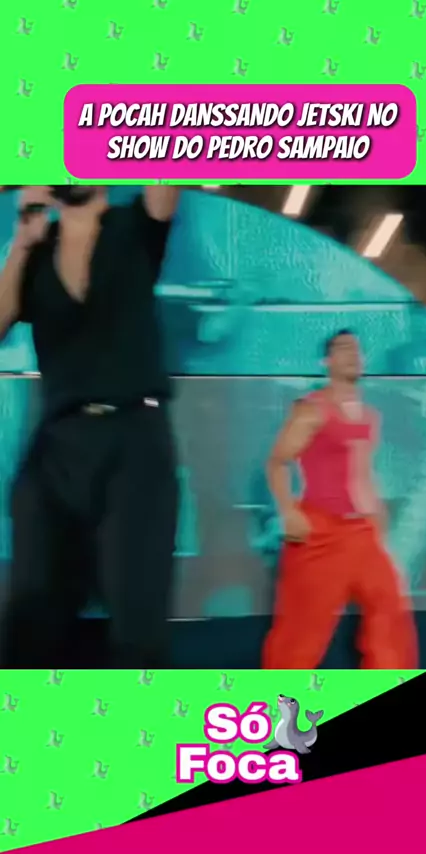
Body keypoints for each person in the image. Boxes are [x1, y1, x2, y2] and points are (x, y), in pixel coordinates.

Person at [0, 184, 180, 668]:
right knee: (29, 620)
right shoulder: (37, 252)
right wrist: (22, 242)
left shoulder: (135, 226)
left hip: (135, 441)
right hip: (58, 445)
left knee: (137, 623)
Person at [261, 329, 418, 670]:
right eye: (344, 349)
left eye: (357, 350)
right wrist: (288, 511)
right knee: (303, 629)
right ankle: (280, 699)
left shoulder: (370, 416)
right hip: (320, 530)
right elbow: (277, 462)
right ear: (327, 361)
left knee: (389, 611)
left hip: (361, 532)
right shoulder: (312, 409)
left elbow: (360, 470)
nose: (353, 356)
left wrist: (376, 513)